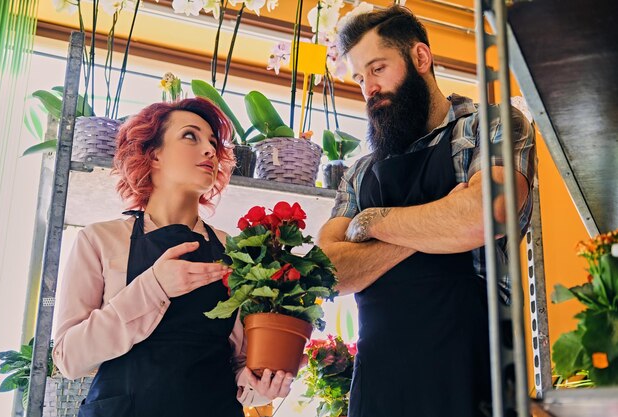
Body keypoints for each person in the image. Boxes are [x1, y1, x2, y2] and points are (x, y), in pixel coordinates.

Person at [317, 6, 536, 417]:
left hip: (474, 377)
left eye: (378, 68)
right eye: (360, 78)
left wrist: (372, 223)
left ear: (420, 58)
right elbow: (328, 270)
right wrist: (441, 222)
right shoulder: (360, 172)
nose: (369, 90)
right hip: (380, 391)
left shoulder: (489, 127)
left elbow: (487, 214)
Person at [52, 98, 295, 417]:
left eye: (212, 142)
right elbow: (69, 358)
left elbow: (237, 367)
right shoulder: (99, 240)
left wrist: (258, 385)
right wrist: (152, 288)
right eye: (190, 136)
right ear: (153, 154)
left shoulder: (236, 252)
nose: (209, 150)